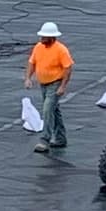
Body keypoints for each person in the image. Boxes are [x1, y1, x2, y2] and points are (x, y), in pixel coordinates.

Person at [25, 22, 75, 155]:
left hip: (55, 83)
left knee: (47, 109)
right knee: (54, 110)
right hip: (44, 84)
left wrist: (63, 86)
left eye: (44, 37)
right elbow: (32, 63)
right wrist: (28, 78)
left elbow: (68, 68)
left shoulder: (61, 50)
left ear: (52, 37)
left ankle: (44, 140)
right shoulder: (38, 47)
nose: (41, 39)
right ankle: (60, 138)